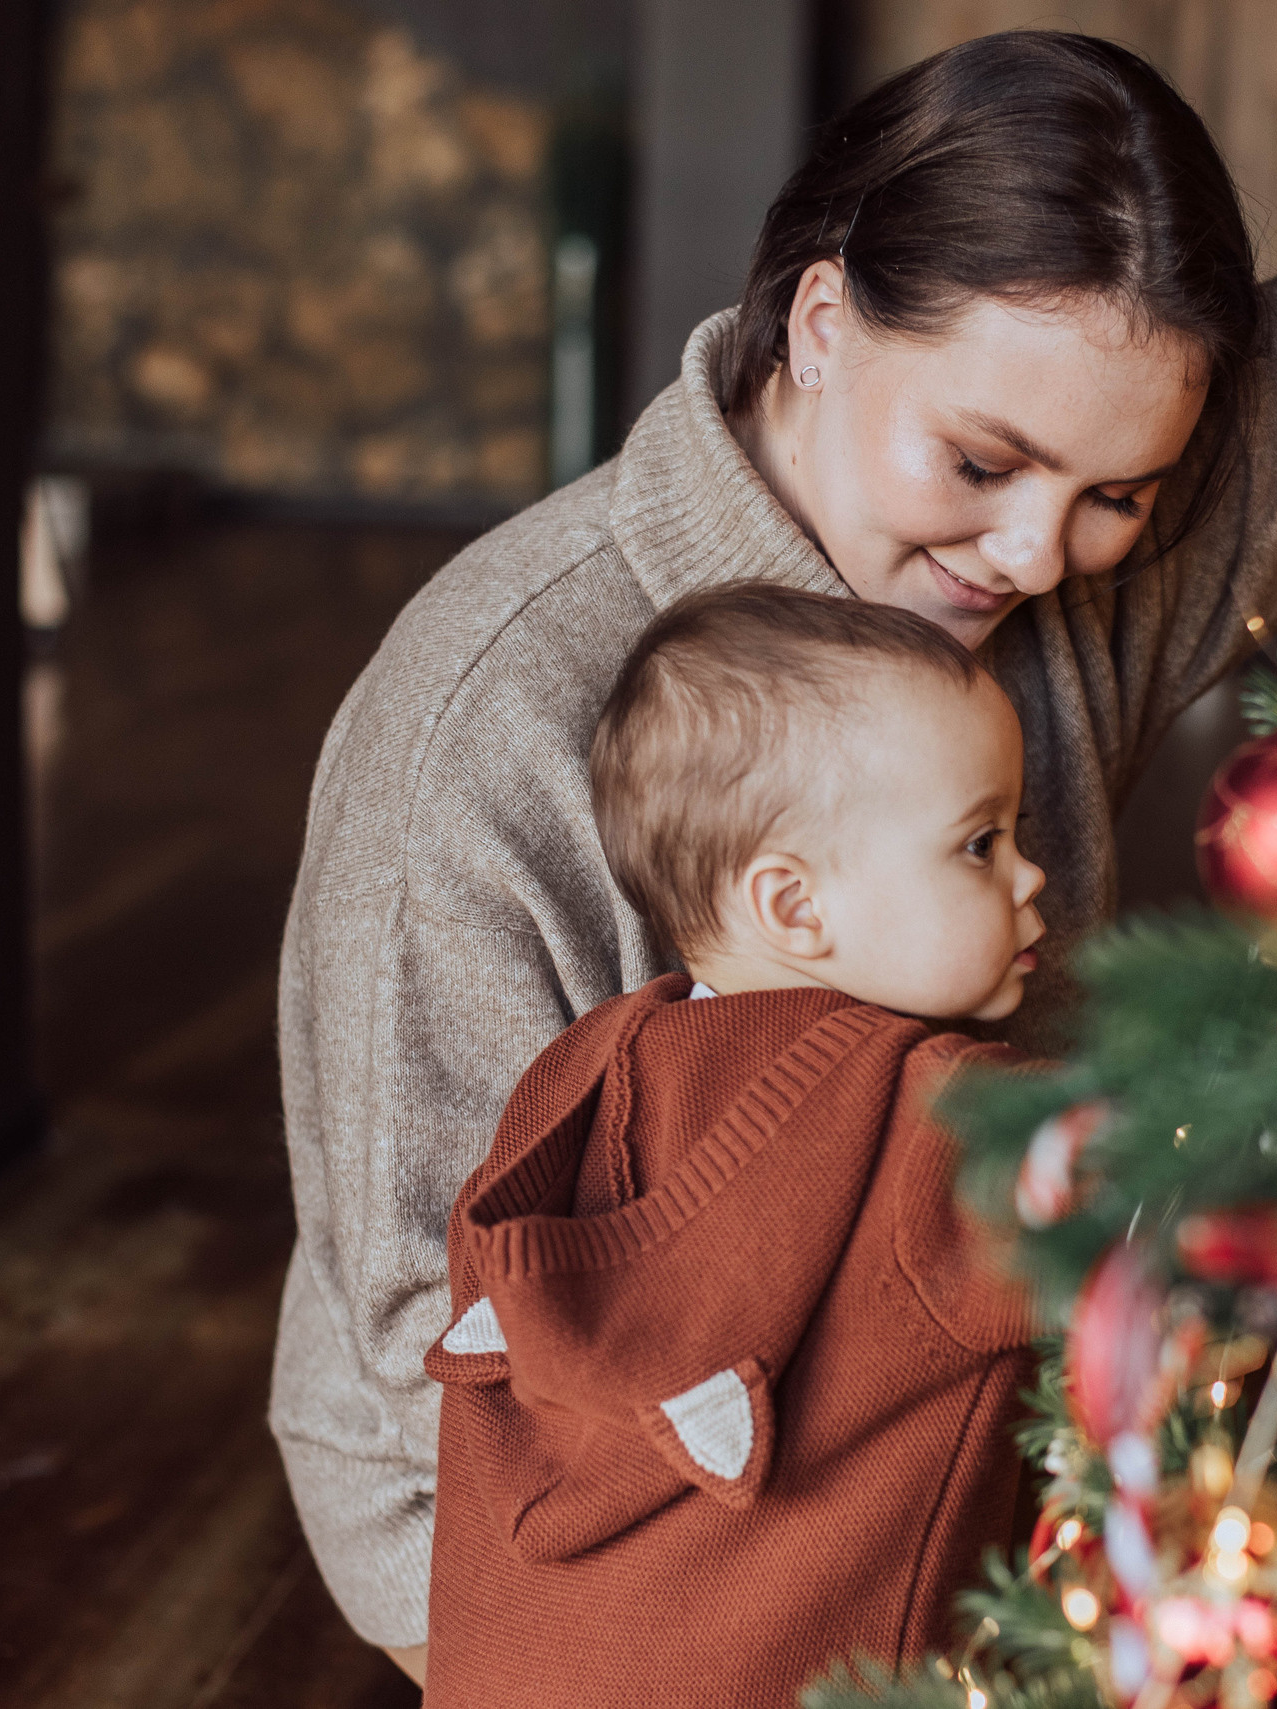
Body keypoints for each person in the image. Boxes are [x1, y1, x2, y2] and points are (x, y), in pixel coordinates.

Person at [274, 29, 1277, 1684]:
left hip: (977, 1446)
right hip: (556, 1530)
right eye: (981, 461)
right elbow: (434, 1330)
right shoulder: (492, 712)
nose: (1039, 552)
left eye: (1120, 491)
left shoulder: (1042, 578)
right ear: (822, 325)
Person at [423, 584, 1046, 1707]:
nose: (1030, 875)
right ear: (795, 907)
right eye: (981, 840)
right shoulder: (941, 1126)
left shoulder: (576, 1080)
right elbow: (1188, 1188)